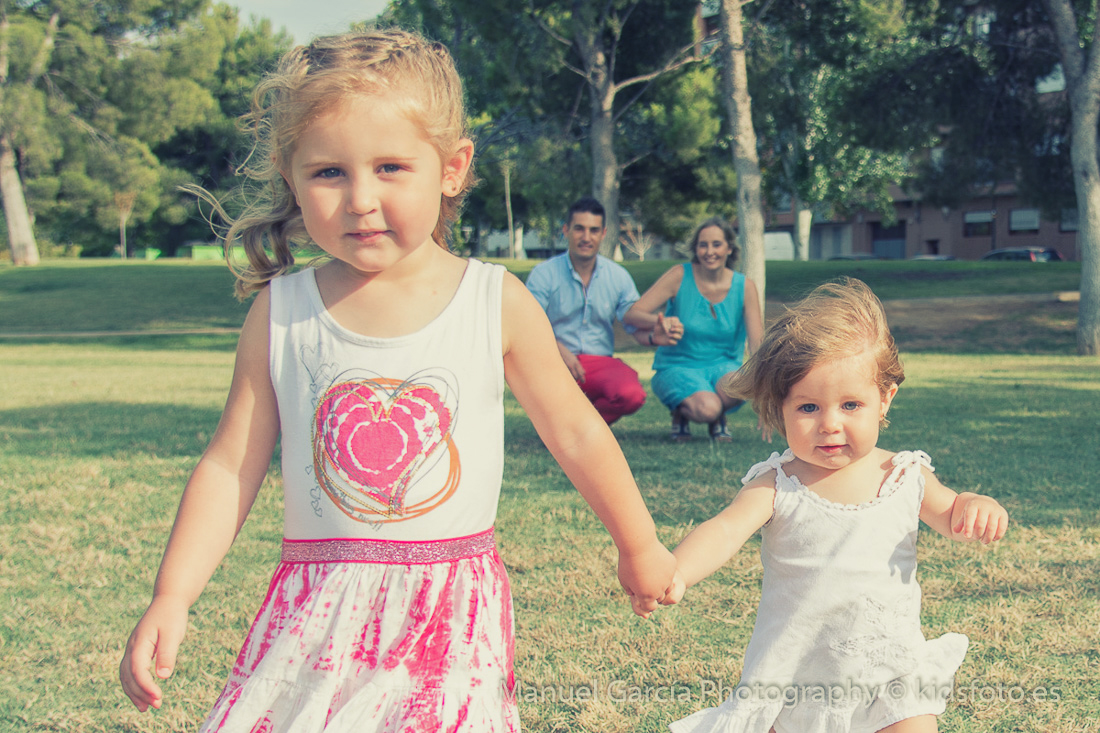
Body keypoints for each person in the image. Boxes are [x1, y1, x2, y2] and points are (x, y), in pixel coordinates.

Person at [118, 30, 676, 731]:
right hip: (313, 618)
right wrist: (173, 593)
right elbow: (231, 463)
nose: (359, 199)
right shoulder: (282, 313)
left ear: (451, 167)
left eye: (389, 167)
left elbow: (575, 430)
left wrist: (639, 542)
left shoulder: (491, 300)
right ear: (291, 177)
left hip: (448, 617)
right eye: (328, 173)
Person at [663, 278, 1009, 733]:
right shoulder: (777, 483)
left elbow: (949, 511)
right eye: (808, 407)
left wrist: (973, 505)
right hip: (794, 672)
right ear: (780, 408)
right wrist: (677, 570)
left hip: (889, 667)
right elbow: (725, 530)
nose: (829, 424)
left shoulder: (904, 476)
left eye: (850, 405)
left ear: (884, 399)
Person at [525, 197, 679, 424]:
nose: (586, 237)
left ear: (603, 233)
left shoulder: (617, 276)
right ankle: (563, 428)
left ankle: (579, 429)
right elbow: (529, 326)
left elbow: (630, 321)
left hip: (599, 363)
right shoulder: (543, 274)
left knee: (632, 395)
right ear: (566, 230)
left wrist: (652, 335)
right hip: (554, 362)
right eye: (579, 229)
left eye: (593, 230)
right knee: (548, 396)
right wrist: (559, 352)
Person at [624, 217, 763, 442]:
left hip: (723, 366)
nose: (709, 251)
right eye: (703, 245)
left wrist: (766, 396)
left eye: (716, 244)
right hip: (678, 366)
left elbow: (758, 344)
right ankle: (682, 412)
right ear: (695, 249)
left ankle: (718, 414)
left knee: (742, 386)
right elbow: (632, 315)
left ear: (729, 248)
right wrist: (661, 321)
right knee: (709, 408)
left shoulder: (745, 287)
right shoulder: (679, 276)